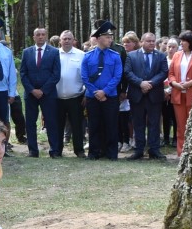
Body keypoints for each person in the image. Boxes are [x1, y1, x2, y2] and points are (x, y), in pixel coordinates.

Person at [81, 20, 123, 160]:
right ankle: (94, 152)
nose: (110, 40)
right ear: (98, 38)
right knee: (94, 125)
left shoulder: (115, 56)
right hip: (92, 97)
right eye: (107, 37)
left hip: (110, 96)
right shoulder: (87, 56)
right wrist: (96, 92)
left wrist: (104, 92)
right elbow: (84, 77)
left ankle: (111, 153)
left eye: (111, 37)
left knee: (111, 125)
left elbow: (117, 76)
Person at [124, 32, 169, 160]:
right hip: (137, 95)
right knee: (138, 123)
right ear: (141, 42)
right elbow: (127, 72)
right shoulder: (131, 56)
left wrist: (150, 84)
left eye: (153, 41)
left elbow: (164, 72)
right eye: (149, 41)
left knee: (154, 123)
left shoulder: (161, 56)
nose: (152, 43)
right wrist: (140, 83)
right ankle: (139, 150)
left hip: (154, 95)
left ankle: (154, 150)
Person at [19, 27, 61, 157]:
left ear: (46, 36)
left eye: (43, 34)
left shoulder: (54, 52)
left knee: (51, 122)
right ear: (34, 37)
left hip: (48, 93)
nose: (41, 37)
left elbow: (56, 74)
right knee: (30, 123)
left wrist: (43, 90)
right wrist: (32, 90)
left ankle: (54, 151)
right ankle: (33, 150)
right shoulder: (27, 52)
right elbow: (23, 73)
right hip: (30, 94)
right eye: (38, 34)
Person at [167, 31, 192, 156]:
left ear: (190, 42)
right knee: (181, 125)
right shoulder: (177, 55)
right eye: (181, 41)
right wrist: (174, 83)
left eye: (183, 41)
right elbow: (171, 73)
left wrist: (191, 82)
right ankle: (181, 153)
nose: (181, 43)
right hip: (178, 94)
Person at [56, 30, 87, 158]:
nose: (67, 41)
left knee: (77, 125)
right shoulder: (54, 54)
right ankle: (57, 150)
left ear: (74, 40)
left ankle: (79, 150)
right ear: (60, 41)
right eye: (64, 39)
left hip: (76, 97)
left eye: (69, 39)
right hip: (57, 98)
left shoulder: (81, 55)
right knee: (58, 126)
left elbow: (86, 76)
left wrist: (86, 94)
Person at [162, 38, 179, 147]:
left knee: (175, 116)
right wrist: (164, 91)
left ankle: (175, 138)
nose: (171, 49)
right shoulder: (162, 59)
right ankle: (166, 138)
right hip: (163, 92)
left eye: (173, 47)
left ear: (177, 48)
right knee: (165, 116)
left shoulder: (179, 60)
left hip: (175, 91)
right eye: (169, 46)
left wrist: (170, 90)